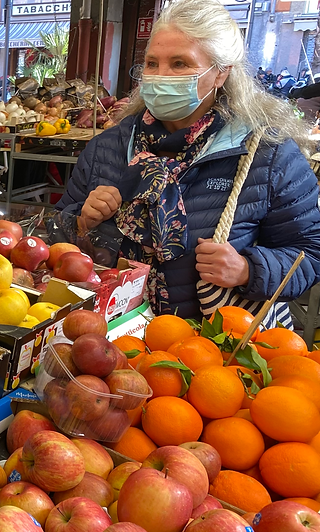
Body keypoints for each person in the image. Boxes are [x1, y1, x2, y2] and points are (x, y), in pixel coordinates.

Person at [55, 0, 320, 324]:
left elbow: (310, 254)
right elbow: (57, 239)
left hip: (211, 344)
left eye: (179, 64)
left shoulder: (269, 156)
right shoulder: (107, 148)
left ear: (221, 72)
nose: (160, 76)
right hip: (108, 339)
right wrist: (81, 222)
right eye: (152, 63)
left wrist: (248, 269)